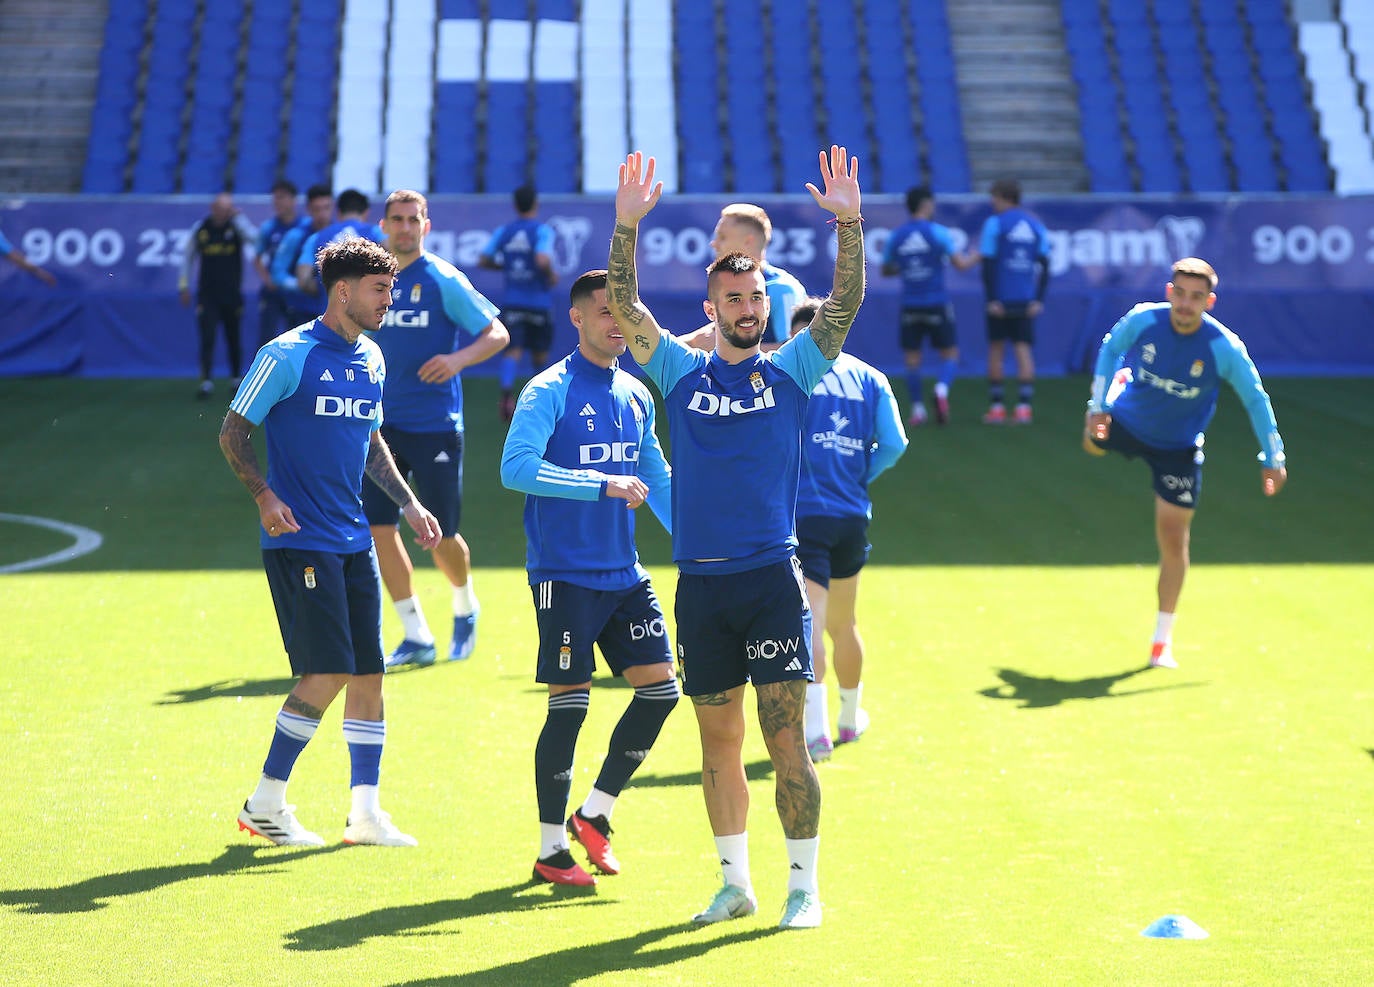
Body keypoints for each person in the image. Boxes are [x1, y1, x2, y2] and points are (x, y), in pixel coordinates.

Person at [606, 146, 865, 930]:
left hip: (770, 583)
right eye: (734, 299)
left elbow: (846, 303)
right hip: (702, 588)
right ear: (712, 306)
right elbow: (624, 305)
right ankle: (733, 883)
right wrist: (625, 227)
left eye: (755, 296)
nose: (748, 309)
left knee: (785, 738)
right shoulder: (680, 374)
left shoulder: (794, 370)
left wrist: (849, 225)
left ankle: (803, 887)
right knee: (716, 743)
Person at [219, 236, 443, 847]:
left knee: (368, 673)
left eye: (391, 290)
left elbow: (372, 443)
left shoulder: (371, 357)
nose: (388, 302)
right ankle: (265, 803)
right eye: (379, 290)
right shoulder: (286, 354)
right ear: (342, 290)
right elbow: (234, 431)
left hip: (352, 540)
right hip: (301, 540)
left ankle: (365, 815)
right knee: (327, 671)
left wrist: (410, 503)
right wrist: (265, 496)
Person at [500, 269, 679, 887]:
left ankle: (595, 812)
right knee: (570, 707)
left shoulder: (635, 393)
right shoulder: (546, 390)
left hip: (624, 574)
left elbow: (653, 474)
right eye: (605, 312)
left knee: (662, 691)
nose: (618, 324)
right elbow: (515, 468)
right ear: (577, 319)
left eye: (625, 312)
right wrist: (598, 483)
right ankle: (551, 850)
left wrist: (705, 542)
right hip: (564, 575)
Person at [1083, 257, 1287, 669]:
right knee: (1091, 443)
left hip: (1178, 447)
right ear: (1169, 292)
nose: (1186, 304)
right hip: (1128, 419)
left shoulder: (1223, 348)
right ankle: (1123, 389)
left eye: (1196, 298)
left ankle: (1161, 642)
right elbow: (1111, 346)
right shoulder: (1144, 320)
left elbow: (1255, 398)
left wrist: (1272, 456)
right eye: (1180, 294)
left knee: (1174, 538)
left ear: (1209, 302)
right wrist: (1099, 404)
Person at [364, 189, 509, 668]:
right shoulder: (371, 282)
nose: (404, 227)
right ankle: (416, 635)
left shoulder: (443, 279)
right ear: (383, 226)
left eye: (413, 219)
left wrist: (456, 359)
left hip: (435, 427)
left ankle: (465, 605)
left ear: (426, 226)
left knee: (440, 536)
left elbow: (497, 333)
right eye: (397, 219)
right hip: (379, 429)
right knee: (380, 529)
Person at [788, 299, 908, 761]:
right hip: (852, 516)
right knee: (844, 622)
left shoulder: (791, 373)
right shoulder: (871, 378)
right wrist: (858, 475)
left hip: (804, 517)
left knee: (810, 624)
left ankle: (815, 733)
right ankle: (849, 717)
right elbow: (895, 445)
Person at [880, 186, 976, 425]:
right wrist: (978, 254)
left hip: (910, 305)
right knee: (950, 354)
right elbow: (961, 265)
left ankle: (918, 410)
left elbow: (886, 269)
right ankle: (941, 389)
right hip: (936, 303)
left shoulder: (897, 236)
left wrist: (907, 264)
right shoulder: (939, 233)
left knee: (912, 360)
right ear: (925, 204)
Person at [680, 202, 808, 352]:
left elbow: (796, 352)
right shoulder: (732, 285)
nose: (714, 244)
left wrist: (729, 349)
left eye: (722, 237)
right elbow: (699, 340)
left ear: (748, 241)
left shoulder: (782, 289)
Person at [480, 184, 558, 422]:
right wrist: (550, 275)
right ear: (535, 204)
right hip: (538, 302)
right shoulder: (542, 231)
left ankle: (506, 395)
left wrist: (508, 267)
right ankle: (541, 398)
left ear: (515, 205)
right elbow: (542, 258)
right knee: (539, 356)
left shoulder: (505, 231)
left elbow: (484, 259)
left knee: (512, 351)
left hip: (514, 302)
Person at [977, 178, 1050, 425]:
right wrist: (1038, 299)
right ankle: (1023, 408)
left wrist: (992, 299)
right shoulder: (1035, 225)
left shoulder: (995, 224)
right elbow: (1046, 265)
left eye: (995, 197)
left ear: (1005, 198)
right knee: (1023, 350)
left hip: (1001, 300)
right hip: (1025, 300)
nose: (992, 202)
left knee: (996, 351)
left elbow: (987, 264)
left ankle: (997, 408)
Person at [179, 193, 258, 399]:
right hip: (208, 295)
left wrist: (239, 218)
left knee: (234, 337)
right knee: (207, 337)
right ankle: (206, 381)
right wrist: (183, 285)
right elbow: (187, 257)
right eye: (222, 208)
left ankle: (235, 379)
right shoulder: (201, 229)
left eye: (229, 208)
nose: (225, 212)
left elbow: (255, 239)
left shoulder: (236, 228)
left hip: (232, 294)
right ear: (213, 207)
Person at [294, 188, 383, 304]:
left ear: (339, 212)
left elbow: (303, 280)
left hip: (330, 312)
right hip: (365, 312)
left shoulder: (316, 238)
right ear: (366, 212)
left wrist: (327, 290)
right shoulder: (377, 233)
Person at [270, 183, 335, 327]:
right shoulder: (296, 235)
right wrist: (300, 285)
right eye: (317, 209)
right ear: (309, 210)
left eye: (326, 208)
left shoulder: (341, 234)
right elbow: (278, 272)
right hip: (301, 310)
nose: (322, 214)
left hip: (332, 310)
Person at [253, 179, 305, 348]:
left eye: (282, 197)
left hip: (297, 292)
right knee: (266, 335)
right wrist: (267, 280)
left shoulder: (304, 227)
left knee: (297, 336)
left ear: (293, 200)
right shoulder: (268, 228)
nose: (277, 202)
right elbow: (257, 258)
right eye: (275, 198)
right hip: (273, 292)